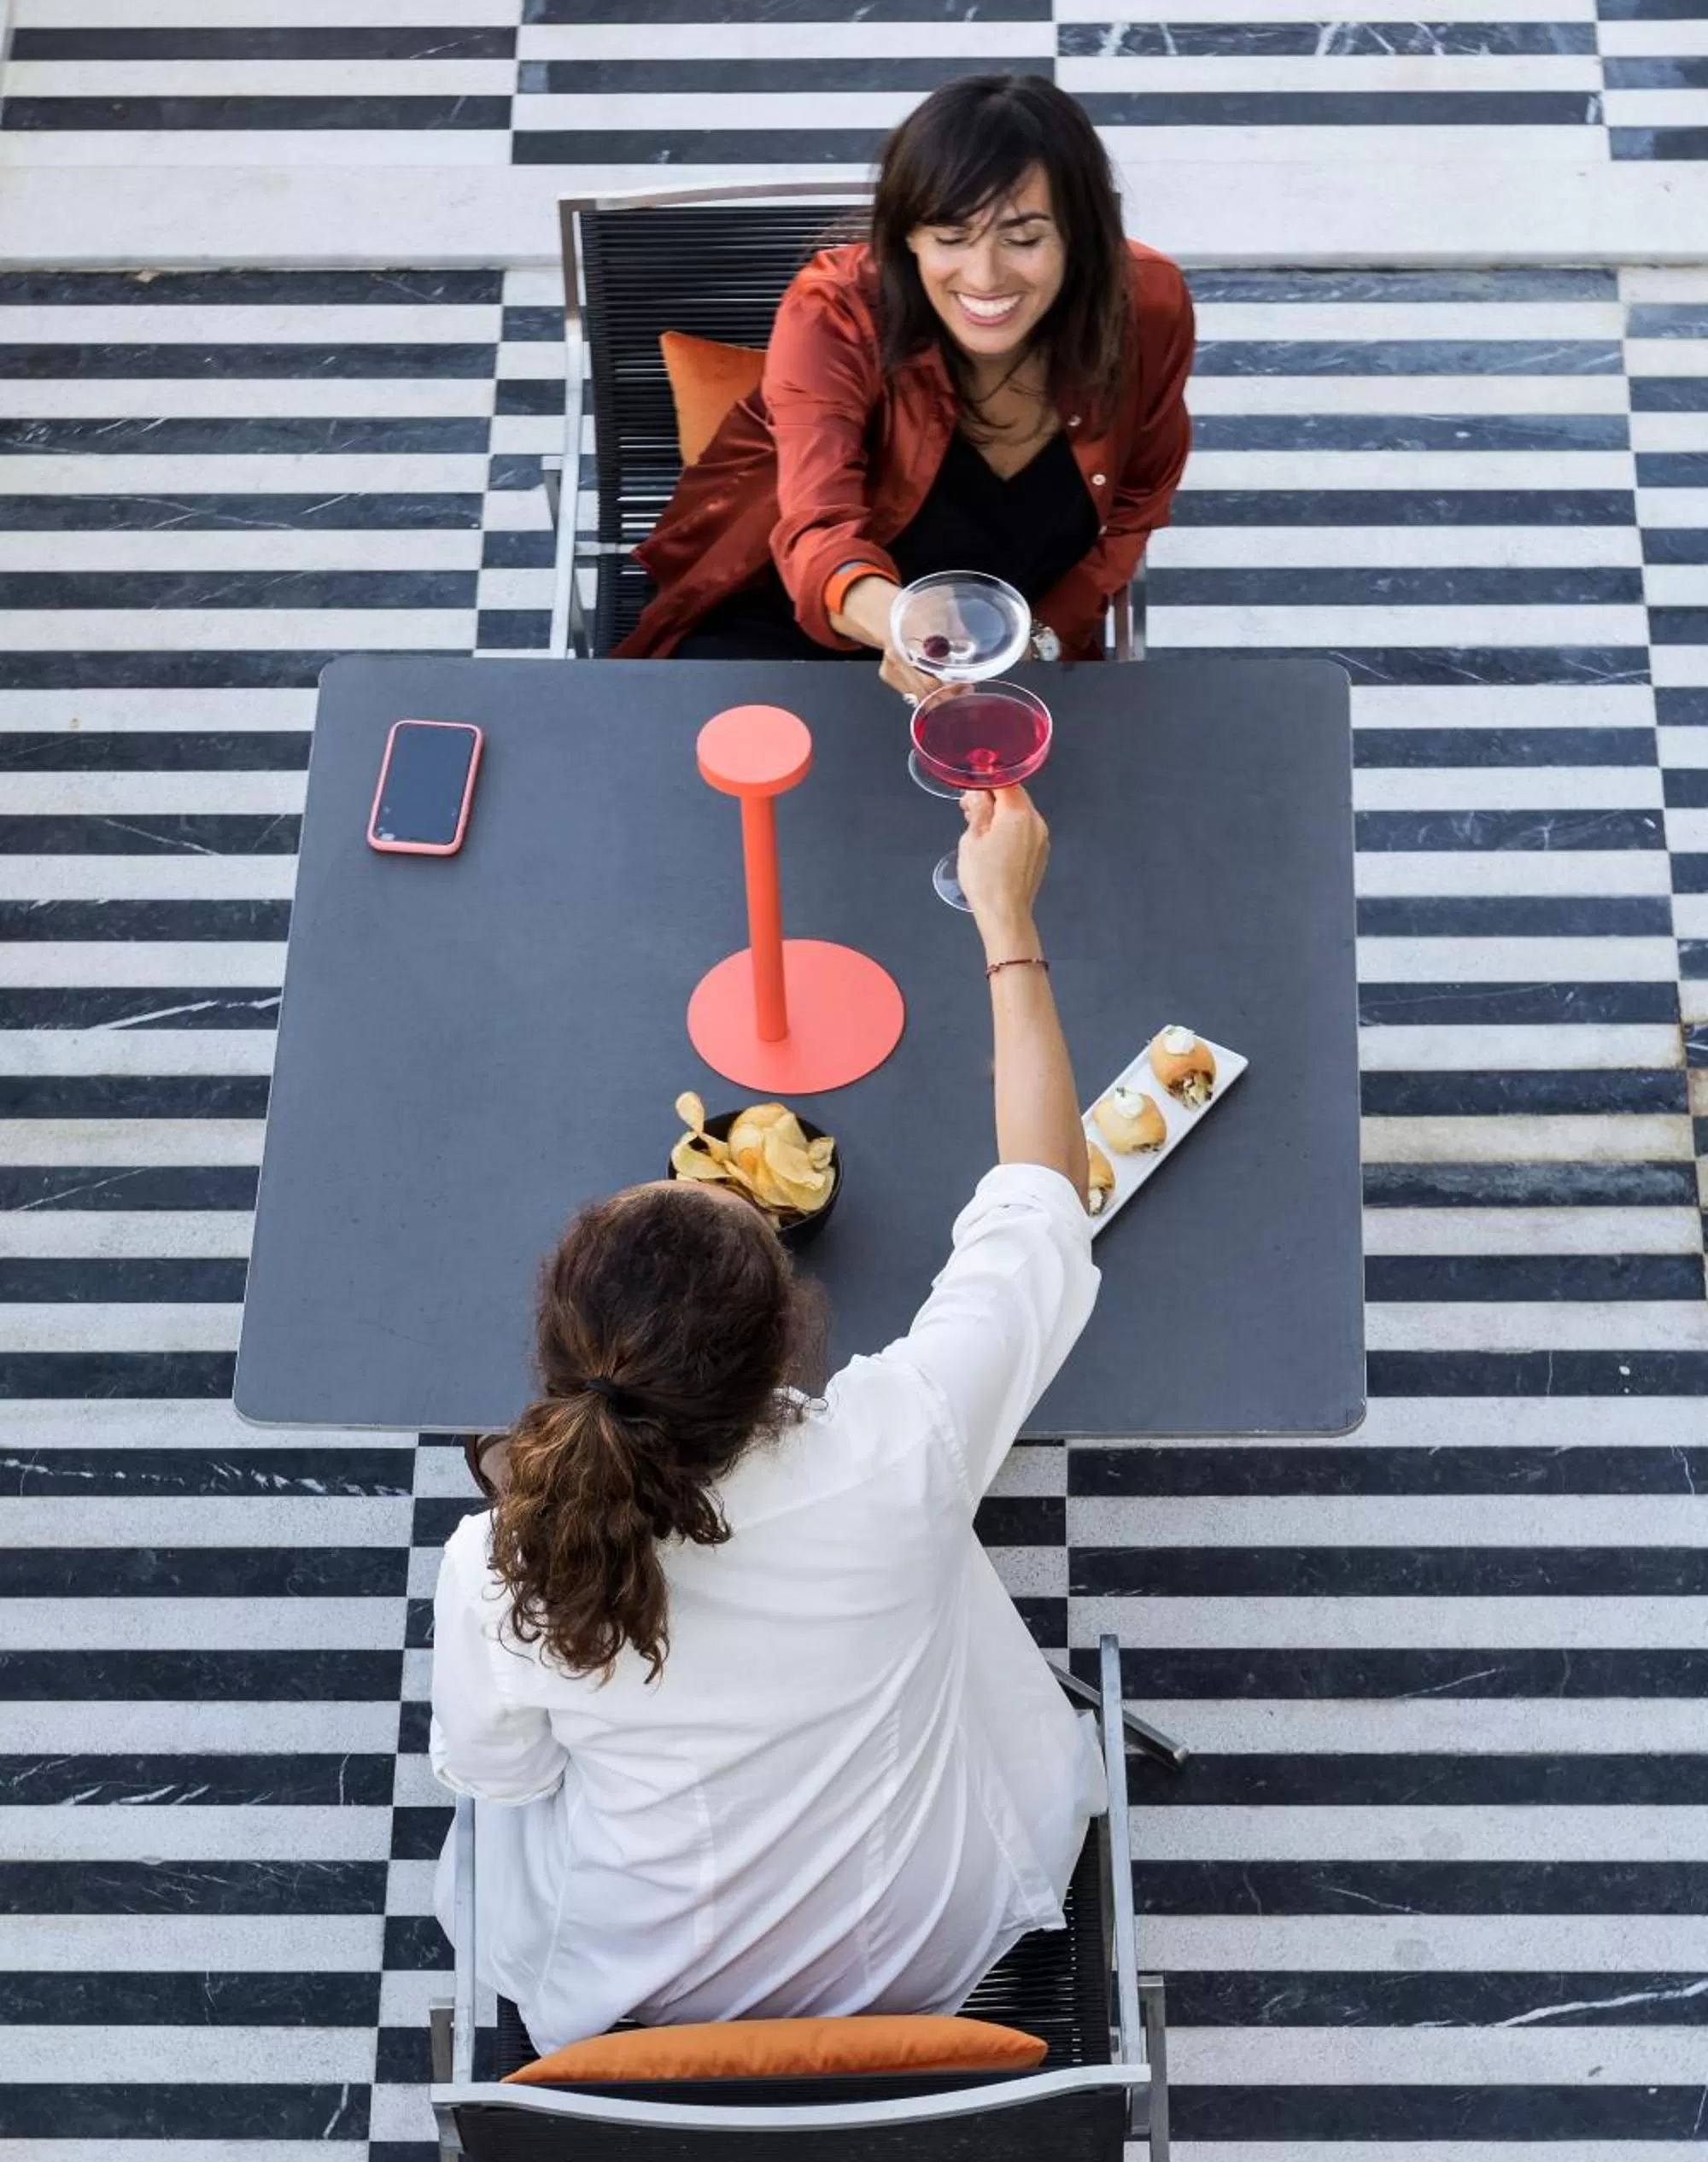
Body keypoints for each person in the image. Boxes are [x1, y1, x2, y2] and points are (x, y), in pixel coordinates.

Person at [430, 786, 1107, 2054]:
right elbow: (1039, 1205)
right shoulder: (901, 1446)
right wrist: (1006, 920)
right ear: (790, 1338)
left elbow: (508, 1775)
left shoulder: (493, 1566)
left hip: (642, 2009)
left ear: (560, 1355)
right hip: (929, 1964)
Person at [616, 72, 1193, 687]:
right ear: (907, 236)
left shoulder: (1146, 305)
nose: (985, 277)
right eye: (951, 238)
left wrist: (1042, 637)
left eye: (1024, 239)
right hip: (787, 609)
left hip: (999, 642)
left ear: (1081, 234)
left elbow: (1135, 505)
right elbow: (815, 522)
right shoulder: (834, 309)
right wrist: (901, 621)